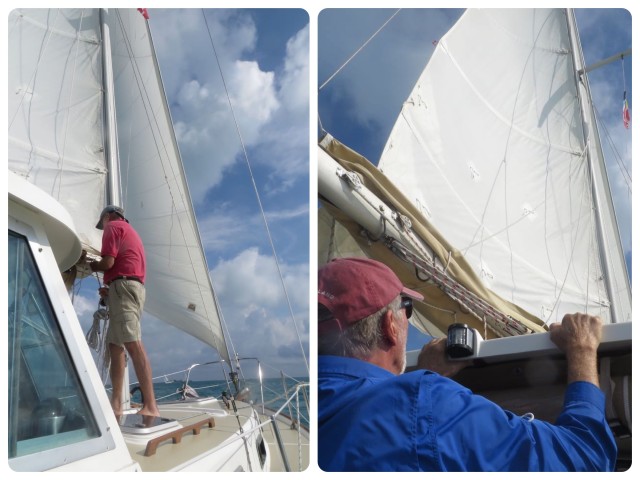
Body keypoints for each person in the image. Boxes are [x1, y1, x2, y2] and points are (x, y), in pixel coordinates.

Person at [318, 257, 617, 472]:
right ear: (390, 326)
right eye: (406, 308)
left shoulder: (308, 403)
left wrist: (426, 377)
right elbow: (586, 458)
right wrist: (581, 349)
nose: (407, 317)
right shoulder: (425, 402)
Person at [88, 205, 160, 418]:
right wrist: (109, 290)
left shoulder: (113, 227)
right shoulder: (130, 232)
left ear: (109, 216)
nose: (103, 228)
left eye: (102, 224)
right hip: (125, 288)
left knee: (132, 343)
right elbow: (119, 265)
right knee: (114, 347)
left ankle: (151, 405)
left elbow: (107, 262)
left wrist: (92, 266)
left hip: (124, 289)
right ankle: (116, 404)